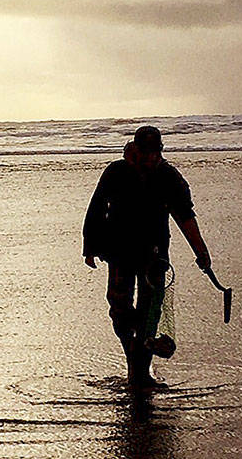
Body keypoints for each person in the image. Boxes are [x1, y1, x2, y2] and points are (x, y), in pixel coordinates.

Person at [83, 125, 212, 387]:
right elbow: (96, 207)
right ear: (135, 150)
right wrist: (89, 247)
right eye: (147, 152)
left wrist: (201, 252)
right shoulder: (116, 172)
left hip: (155, 255)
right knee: (119, 308)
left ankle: (139, 368)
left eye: (157, 153)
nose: (152, 158)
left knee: (150, 313)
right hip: (119, 252)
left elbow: (184, 215)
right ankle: (134, 353)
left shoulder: (169, 177)